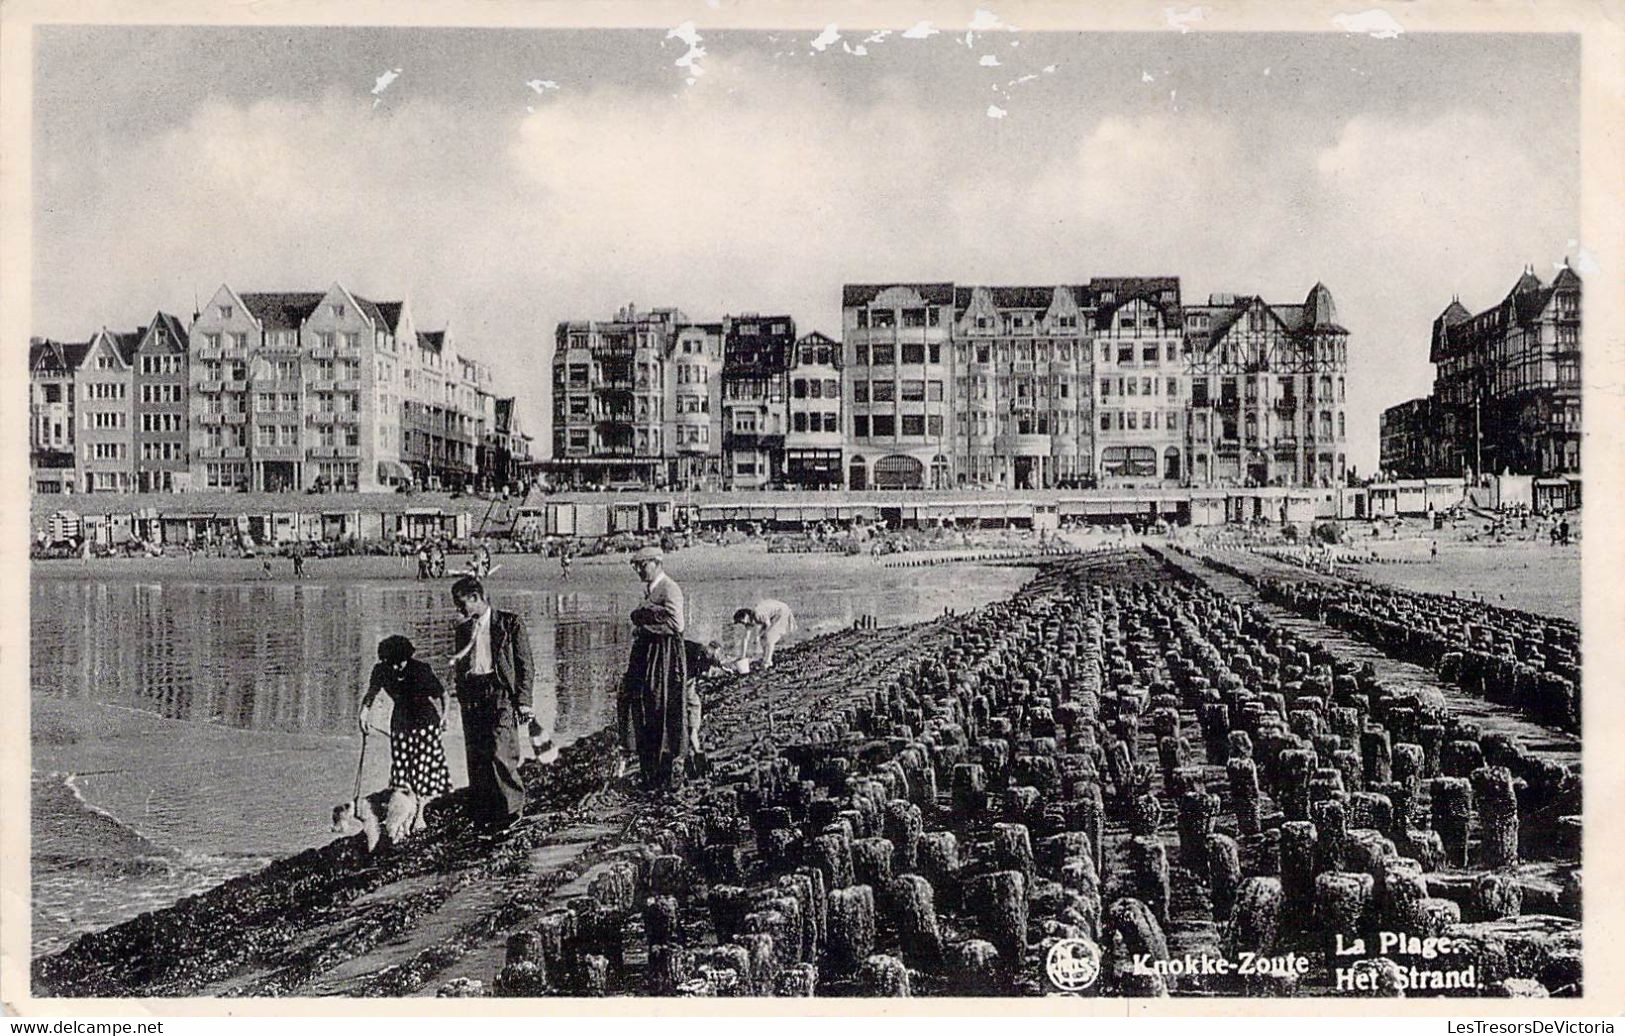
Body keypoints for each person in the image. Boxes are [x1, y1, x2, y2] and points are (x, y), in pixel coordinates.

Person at [449, 575, 534, 831]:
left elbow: (525, 664)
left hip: (501, 693)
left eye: (461, 604)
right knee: (477, 754)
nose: (459, 610)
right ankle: (484, 812)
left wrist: (524, 701)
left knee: (501, 750)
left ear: (476, 598)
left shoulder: (510, 623)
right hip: (473, 695)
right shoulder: (464, 630)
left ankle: (512, 811)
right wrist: (461, 695)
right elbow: (461, 666)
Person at [617, 546, 688, 788]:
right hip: (648, 655)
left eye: (642, 565)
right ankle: (650, 769)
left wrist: (643, 626)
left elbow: (677, 626)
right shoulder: (651, 589)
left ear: (656, 563)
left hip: (664, 657)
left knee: (661, 707)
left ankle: (662, 772)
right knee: (642, 706)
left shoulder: (669, 588)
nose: (638, 570)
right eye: (635, 566)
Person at [358, 634, 452, 804]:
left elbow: (443, 695)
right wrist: (364, 713)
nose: (394, 666)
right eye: (390, 662)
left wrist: (445, 717)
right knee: (401, 765)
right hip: (401, 720)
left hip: (426, 721)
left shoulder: (421, 670)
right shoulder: (381, 670)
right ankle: (401, 804)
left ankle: (423, 806)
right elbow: (371, 693)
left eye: (398, 662)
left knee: (423, 764)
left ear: (406, 657)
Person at [732, 598, 797, 668]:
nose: (742, 624)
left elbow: (768, 625)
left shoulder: (757, 614)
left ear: (746, 616)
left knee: (770, 637)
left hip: (781, 611)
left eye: (741, 621)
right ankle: (765, 657)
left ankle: (767, 662)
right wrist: (743, 656)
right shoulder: (749, 621)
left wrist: (759, 635)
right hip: (773, 615)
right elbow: (745, 638)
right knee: (763, 637)